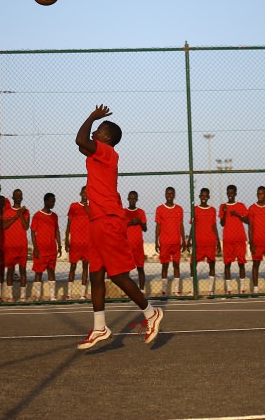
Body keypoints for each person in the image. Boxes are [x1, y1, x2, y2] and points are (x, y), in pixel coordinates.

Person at [75, 105, 162, 350]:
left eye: (100, 131)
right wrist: (93, 123)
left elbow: (80, 138)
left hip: (108, 219)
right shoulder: (95, 153)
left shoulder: (108, 153)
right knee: (96, 275)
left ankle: (151, 313)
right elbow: (82, 143)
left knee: (116, 274)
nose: (95, 133)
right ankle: (100, 327)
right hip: (97, 221)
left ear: (108, 139)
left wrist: (92, 116)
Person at [155, 186, 186, 297]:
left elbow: (181, 225)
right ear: (165, 194)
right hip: (164, 242)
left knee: (176, 265)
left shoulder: (179, 209)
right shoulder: (160, 209)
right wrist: (156, 241)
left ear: (174, 195)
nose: (169, 196)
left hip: (176, 242)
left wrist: (184, 240)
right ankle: (164, 290)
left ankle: (176, 290)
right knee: (165, 266)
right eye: (167, 194)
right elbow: (158, 226)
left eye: (171, 194)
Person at [30, 192, 61, 301]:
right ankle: (38, 295)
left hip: (52, 249)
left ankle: (52, 295)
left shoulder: (54, 216)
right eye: (52, 201)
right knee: (38, 272)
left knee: (51, 271)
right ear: (46, 201)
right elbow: (33, 232)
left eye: (54, 201)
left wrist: (60, 245)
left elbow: (57, 231)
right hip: (41, 250)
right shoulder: (37, 215)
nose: (53, 203)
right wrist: (36, 248)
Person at [218, 184, 248, 295]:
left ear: (235, 193)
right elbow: (222, 223)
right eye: (228, 193)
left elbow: (247, 221)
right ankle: (229, 289)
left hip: (240, 238)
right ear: (227, 193)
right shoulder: (223, 206)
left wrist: (238, 214)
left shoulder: (241, 206)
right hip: (228, 239)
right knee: (227, 264)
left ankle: (242, 288)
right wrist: (225, 212)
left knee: (241, 264)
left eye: (232, 193)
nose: (230, 195)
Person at [190, 188, 220, 296]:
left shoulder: (212, 210)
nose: (204, 198)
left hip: (210, 241)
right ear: (199, 196)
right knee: (193, 264)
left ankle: (210, 290)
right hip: (198, 242)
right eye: (202, 196)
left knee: (211, 264)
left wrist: (218, 242)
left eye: (206, 196)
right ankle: (193, 290)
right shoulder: (195, 209)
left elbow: (214, 226)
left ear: (208, 197)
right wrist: (189, 240)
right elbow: (192, 225)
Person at [2, 188, 31, 301]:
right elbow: (4, 226)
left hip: (22, 245)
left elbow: (26, 226)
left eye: (20, 195)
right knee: (10, 271)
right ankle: (10, 296)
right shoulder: (7, 211)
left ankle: (23, 296)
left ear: (22, 197)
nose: (18, 197)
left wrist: (20, 215)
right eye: (16, 195)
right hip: (10, 245)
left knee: (23, 270)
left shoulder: (26, 211)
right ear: (12, 197)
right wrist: (16, 215)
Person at [65, 186, 91, 300]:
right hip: (75, 242)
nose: (85, 195)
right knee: (73, 267)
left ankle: (82, 294)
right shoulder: (74, 206)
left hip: (88, 242)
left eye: (87, 193)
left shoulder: (92, 207)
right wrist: (66, 239)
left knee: (86, 268)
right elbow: (68, 223)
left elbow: (94, 219)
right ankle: (69, 294)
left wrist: (87, 208)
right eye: (84, 193)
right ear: (80, 193)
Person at [125, 191, 148, 290]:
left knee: (140, 268)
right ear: (128, 199)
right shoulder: (124, 212)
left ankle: (141, 290)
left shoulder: (140, 212)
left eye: (134, 198)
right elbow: (120, 227)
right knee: (126, 270)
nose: (132, 200)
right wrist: (130, 223)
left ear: (137, 200)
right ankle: (128, 290)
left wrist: (140, 222)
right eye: (131, 198)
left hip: (138, 245)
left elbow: (145, 229)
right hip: (127, 245)